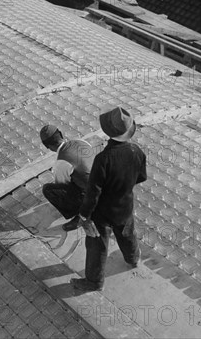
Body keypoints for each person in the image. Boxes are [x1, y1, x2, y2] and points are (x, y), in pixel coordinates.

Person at [71, 107, 147, 292]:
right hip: (125, 206)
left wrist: (84, 216)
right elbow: (142, 177)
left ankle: (94, 282)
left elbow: (93, 193)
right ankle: (133, 259)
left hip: (103, 213)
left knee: (97, 245)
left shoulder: (103, 159)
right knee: (128, 234)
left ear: (109, 133)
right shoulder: (137, 151)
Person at [39, 125, 95, 232]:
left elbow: (62, 185)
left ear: (47, 147)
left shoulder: (60, 163)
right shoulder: (81, 142)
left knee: (49, 190)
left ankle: (81, 216)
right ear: (61, 134)